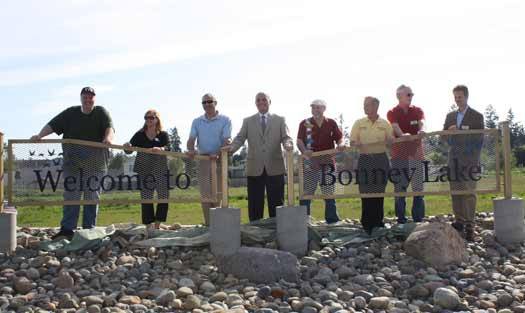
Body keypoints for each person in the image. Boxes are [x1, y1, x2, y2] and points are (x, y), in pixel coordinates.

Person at [30, 87, 114, 240]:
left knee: (92, 196)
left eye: (91, 97)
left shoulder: (101, 112)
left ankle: (89, 230)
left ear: (94, 99)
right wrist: (40, 135)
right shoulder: (70, 113)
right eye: (85, 97)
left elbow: (110, 128)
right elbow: (53, 125)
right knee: (71, 195)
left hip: (95, 164)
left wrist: (108, 139)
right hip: (73, 163)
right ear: (81, 98)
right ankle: (67, 230)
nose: (88, 100)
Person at [229, 92, 293, 221]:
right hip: (254, 168)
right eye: (258, 100)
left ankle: (276, 232)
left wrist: (288, 144)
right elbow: (240, 138)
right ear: (255, 103)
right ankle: (255, 232)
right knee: (254, 203)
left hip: (275, 166)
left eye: (264, 99)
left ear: (270, 102)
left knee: (276, 203)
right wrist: (231, 149)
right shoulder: (247, 121)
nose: (261, 102)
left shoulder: (280, 119)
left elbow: (286, 137)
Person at [443, 85, 484, 241]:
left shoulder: (477, 116)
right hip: (453, 160)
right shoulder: (450, 116)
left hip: (470, 161)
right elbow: (443, 138)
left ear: (466, 96)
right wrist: (449, 132)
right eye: (455, 97)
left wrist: (463, 133)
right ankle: (459, 220)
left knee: (469, 192)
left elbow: (480, 138)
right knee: (455, 191)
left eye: (459, 96)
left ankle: (469, 225)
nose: (457, 99)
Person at [350, 97, 393, 234]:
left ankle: (378, 222)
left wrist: (390, 141)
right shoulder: (359, 123)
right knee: (365, 191)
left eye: (367, 105)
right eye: (364, 105)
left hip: (381, 159)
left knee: (379, 191)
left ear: (376, 106)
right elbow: (352, 141)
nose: (364, 108)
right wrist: (355, 144)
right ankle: (366, 224)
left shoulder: (385, 123)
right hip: (365, 159)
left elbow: (390, 142)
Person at [187, 93, 232, 225]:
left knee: (218, 194)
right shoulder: (197, 121)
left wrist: (218, 153)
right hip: (204, 160)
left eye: (209, 102)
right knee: (205, 195)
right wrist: (191, 149)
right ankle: (208, 224)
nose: (207, 104)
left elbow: (226, 140)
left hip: (219, 160)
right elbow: (191, 140)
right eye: (204, 103)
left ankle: (219, 224)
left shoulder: (225, 120)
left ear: (215, 103)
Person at [297, 99, 344, 223]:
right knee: (306, 194)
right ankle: (303, 221)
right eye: (313, 107)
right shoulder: (304, 123)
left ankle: (332, 221)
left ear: (324, 109)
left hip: (327, 164)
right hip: (309, 164)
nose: (316, 110)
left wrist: (341, 144)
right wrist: (304, 151)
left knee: (329, 194)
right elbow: (299, 141)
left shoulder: (331, 123)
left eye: (318, 107)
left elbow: (339, 138)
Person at [124, 109, 170, 230]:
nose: (149, 120)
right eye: (146, 118)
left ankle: (158, 225)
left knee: (164, 196)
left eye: (151, 117)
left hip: (160, 168)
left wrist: (161, 149)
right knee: (146, 197)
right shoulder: (139, 134)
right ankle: (149, 225)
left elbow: (168, 147)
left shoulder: (163, 134)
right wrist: (127, 146)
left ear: (157, 119)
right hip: (144, 169)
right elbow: (129, 150)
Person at [387, 85, 426, 223]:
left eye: (412, 94)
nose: (411, 97)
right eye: (408, 94)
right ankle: (401, 219)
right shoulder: (392, 112)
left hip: (416, 155)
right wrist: (403, 135)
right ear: (399, 96)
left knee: (418, 189)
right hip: (399, 157)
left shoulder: (417, 110)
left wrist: (422, 130)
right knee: (400, 189)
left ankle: (418, 219)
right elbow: (395, 127)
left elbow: (422, 122)